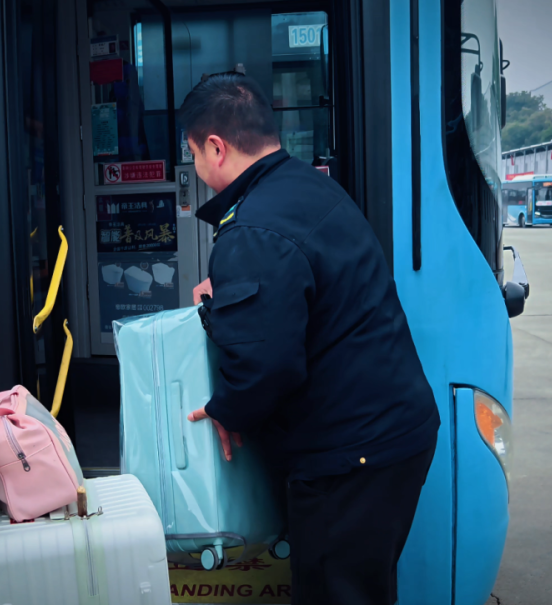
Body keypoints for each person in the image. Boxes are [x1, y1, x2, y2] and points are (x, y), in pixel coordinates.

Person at [181, 73, 441, 605]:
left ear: (216, 147)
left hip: (349, 459)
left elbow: (266, 365)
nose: (197, 169)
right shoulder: (306, 186)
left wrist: (226, 409)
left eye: (194, 154)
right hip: (389, 436)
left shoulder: (252, 228)